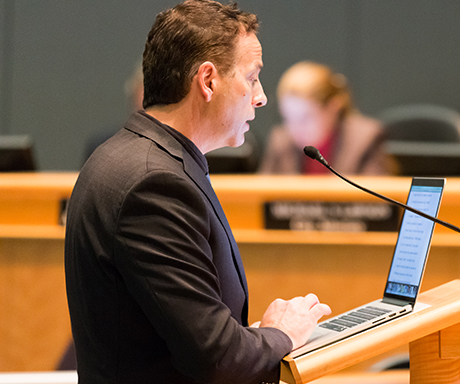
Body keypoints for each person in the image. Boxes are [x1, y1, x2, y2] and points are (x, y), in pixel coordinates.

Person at [65, 1, 331, 383]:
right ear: (208, 81)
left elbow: (178, 333)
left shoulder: (130, 155)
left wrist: (253, 338)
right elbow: (217, 360)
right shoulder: (152, 184)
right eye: (252, 77)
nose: (261, 97)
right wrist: (282, 334)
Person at [259, 61, 389, 175]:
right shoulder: (280, 141)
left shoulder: (365, 139)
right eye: (288, 118)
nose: (295, 129)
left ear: (333, 108)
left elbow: (376, 199)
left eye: (305, 118)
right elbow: (260, 197)